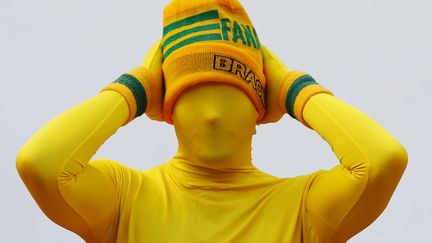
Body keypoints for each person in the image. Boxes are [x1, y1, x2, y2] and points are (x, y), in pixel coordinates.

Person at [16, 0, 408, 242]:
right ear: (167, 111)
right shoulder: (124, 199)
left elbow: (383, 160)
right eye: (193, 92)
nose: (214, 114)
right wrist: (136, 86)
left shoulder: (301, 209)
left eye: (233, 91)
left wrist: (294, 88)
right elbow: (40, 165)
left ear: (259, 110)